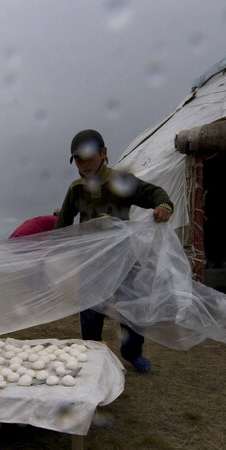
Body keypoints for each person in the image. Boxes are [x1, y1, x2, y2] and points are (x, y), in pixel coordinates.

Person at [53, 129, 172, 373]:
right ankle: (91, 357)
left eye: (89, 157)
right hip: (90, 263)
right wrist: (51, 250)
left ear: (104, 153)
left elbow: (154, 193)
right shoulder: (76, 189)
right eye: (78, 159)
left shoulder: (121, 182)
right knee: (91, 313)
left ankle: (132, 353)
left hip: (122, 261)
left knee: (133, 309)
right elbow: (62, 224)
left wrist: (163, 204)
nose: (84, 164)